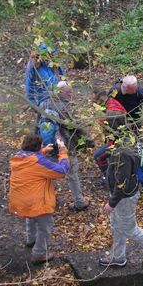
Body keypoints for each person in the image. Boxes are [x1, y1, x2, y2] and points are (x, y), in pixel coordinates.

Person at [100, 114, 143, 268]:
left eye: (106, 128)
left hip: (125, 197)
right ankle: (118, 257)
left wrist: (112, 203)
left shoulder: (123, 151)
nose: (103, 131)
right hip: (123, 194)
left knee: (130, 229)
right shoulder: (127, 139)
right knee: (116, 224)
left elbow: (122, 183)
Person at [8, 133, 70, 264]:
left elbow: (32, 158)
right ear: (37, 147)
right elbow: (62, 171)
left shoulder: (18, 158)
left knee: (30, 218)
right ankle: (39, 254)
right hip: (36, 201)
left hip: (21, 200)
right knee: (45, 226)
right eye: (41, 146)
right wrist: (63, 153)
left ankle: (31, 240)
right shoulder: (39, 162)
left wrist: (42, 151)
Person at [39, 82, 91, 212]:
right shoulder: (66, 107)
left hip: (48, 146)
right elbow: (77, 126)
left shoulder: (43, 104)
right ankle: (79, 202)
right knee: (72, 174)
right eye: (69, 93)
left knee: (47, 174)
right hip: (65, 145)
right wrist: (88, 140)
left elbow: (38, 124)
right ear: (62, 92)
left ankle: (47, 200)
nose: (72, 95)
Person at [25, 42, 65, 107]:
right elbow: (29, 88)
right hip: (44, 101)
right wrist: (34, 107)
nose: (50, 56)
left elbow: (63, 79)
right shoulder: (33, 66)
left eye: (51, 53)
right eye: (48, 54)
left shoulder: (54, 63)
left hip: (59, 98)